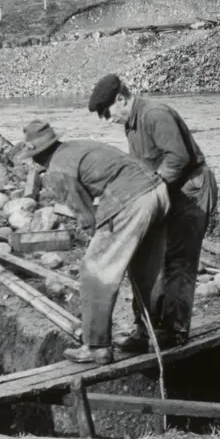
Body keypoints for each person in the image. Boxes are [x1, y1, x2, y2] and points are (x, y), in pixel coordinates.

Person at [19, 120, 169, 365]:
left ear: (37, 156)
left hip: (131, 199)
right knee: (146, 269)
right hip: (157, 192)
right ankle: (153, 333)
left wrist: (96, 241)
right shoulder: (76, 146)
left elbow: (85, 216)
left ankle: (96, 346)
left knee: (95, 271)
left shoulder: (57, 170)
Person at [87, 73, 218, 351]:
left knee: (178, 261)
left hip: (190, 190)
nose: (108, 120)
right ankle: (145, 331)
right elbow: (142, 167)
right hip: (167, 191)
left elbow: (178, 158)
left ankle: (174, 331)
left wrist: (149, 191)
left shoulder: (155, 115)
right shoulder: (132, 125)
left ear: (121, 99)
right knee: (147, 258)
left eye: (108, 113)